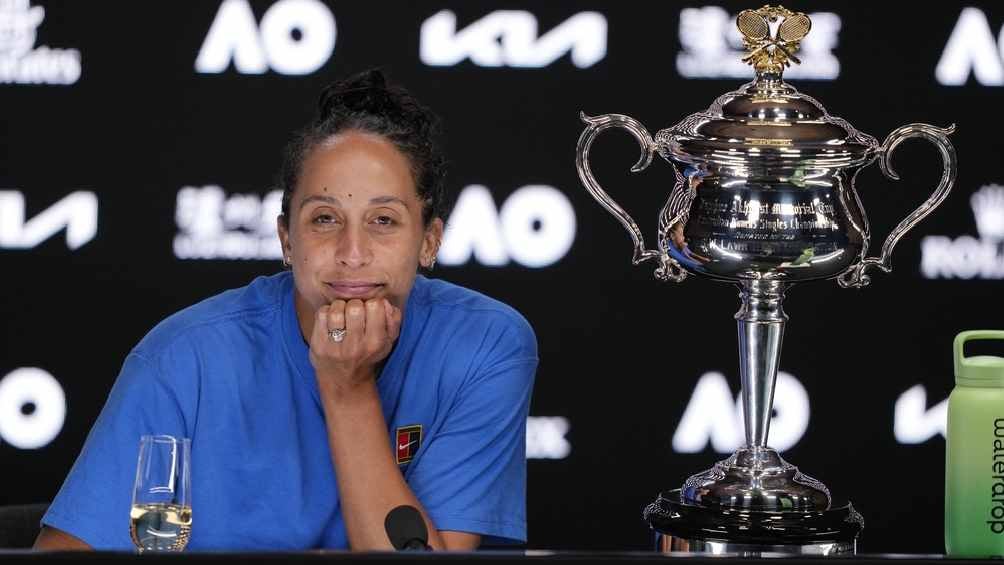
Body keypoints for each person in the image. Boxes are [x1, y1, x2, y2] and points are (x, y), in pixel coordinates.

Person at [33, 69, 538, 551]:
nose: (352, 251)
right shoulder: (184, 357)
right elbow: (66, 551)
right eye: (323, 218)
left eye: (383, 220)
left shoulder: (485, 345)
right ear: (286, 240)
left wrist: (348, 387)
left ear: (429, 241)